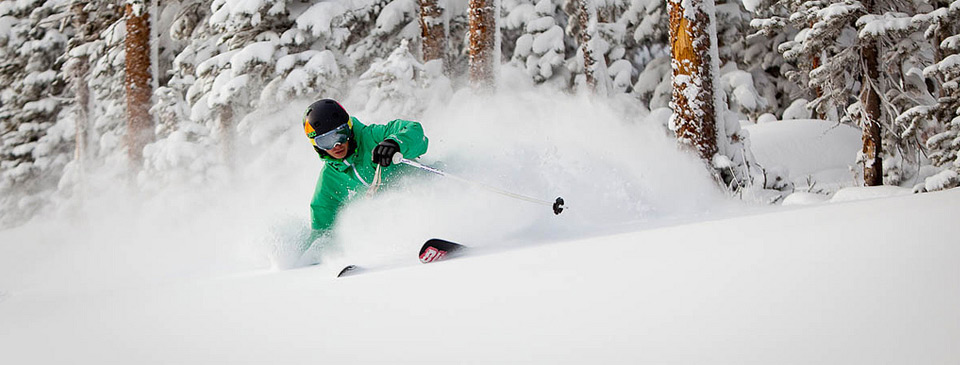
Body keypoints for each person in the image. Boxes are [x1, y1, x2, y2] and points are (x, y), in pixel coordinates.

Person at [303, 99, 429, 242]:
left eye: (341, 134)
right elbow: (321, 230)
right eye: (326, 141)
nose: (336, 145)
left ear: (349, 129)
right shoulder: (329, 180)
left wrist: (395, 143)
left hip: (425, 194)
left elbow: (415, 132)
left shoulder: (373, 137)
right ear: (316, 145)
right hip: (392, 228)